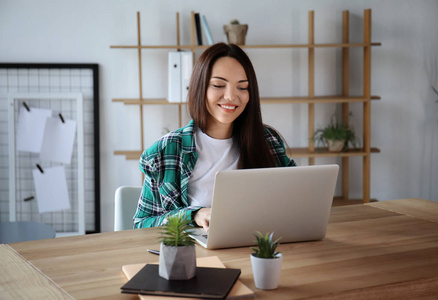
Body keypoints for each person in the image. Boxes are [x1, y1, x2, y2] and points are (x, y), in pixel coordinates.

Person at [133, 42, 296, 230]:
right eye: (219, 85)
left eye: (242, 88)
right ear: (199, 87)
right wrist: (193, 214)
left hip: (259, 249)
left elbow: (295, 199)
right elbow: (142, 225)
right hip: (193, 255)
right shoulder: (166, 151)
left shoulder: (268, 141)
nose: (231, 96)